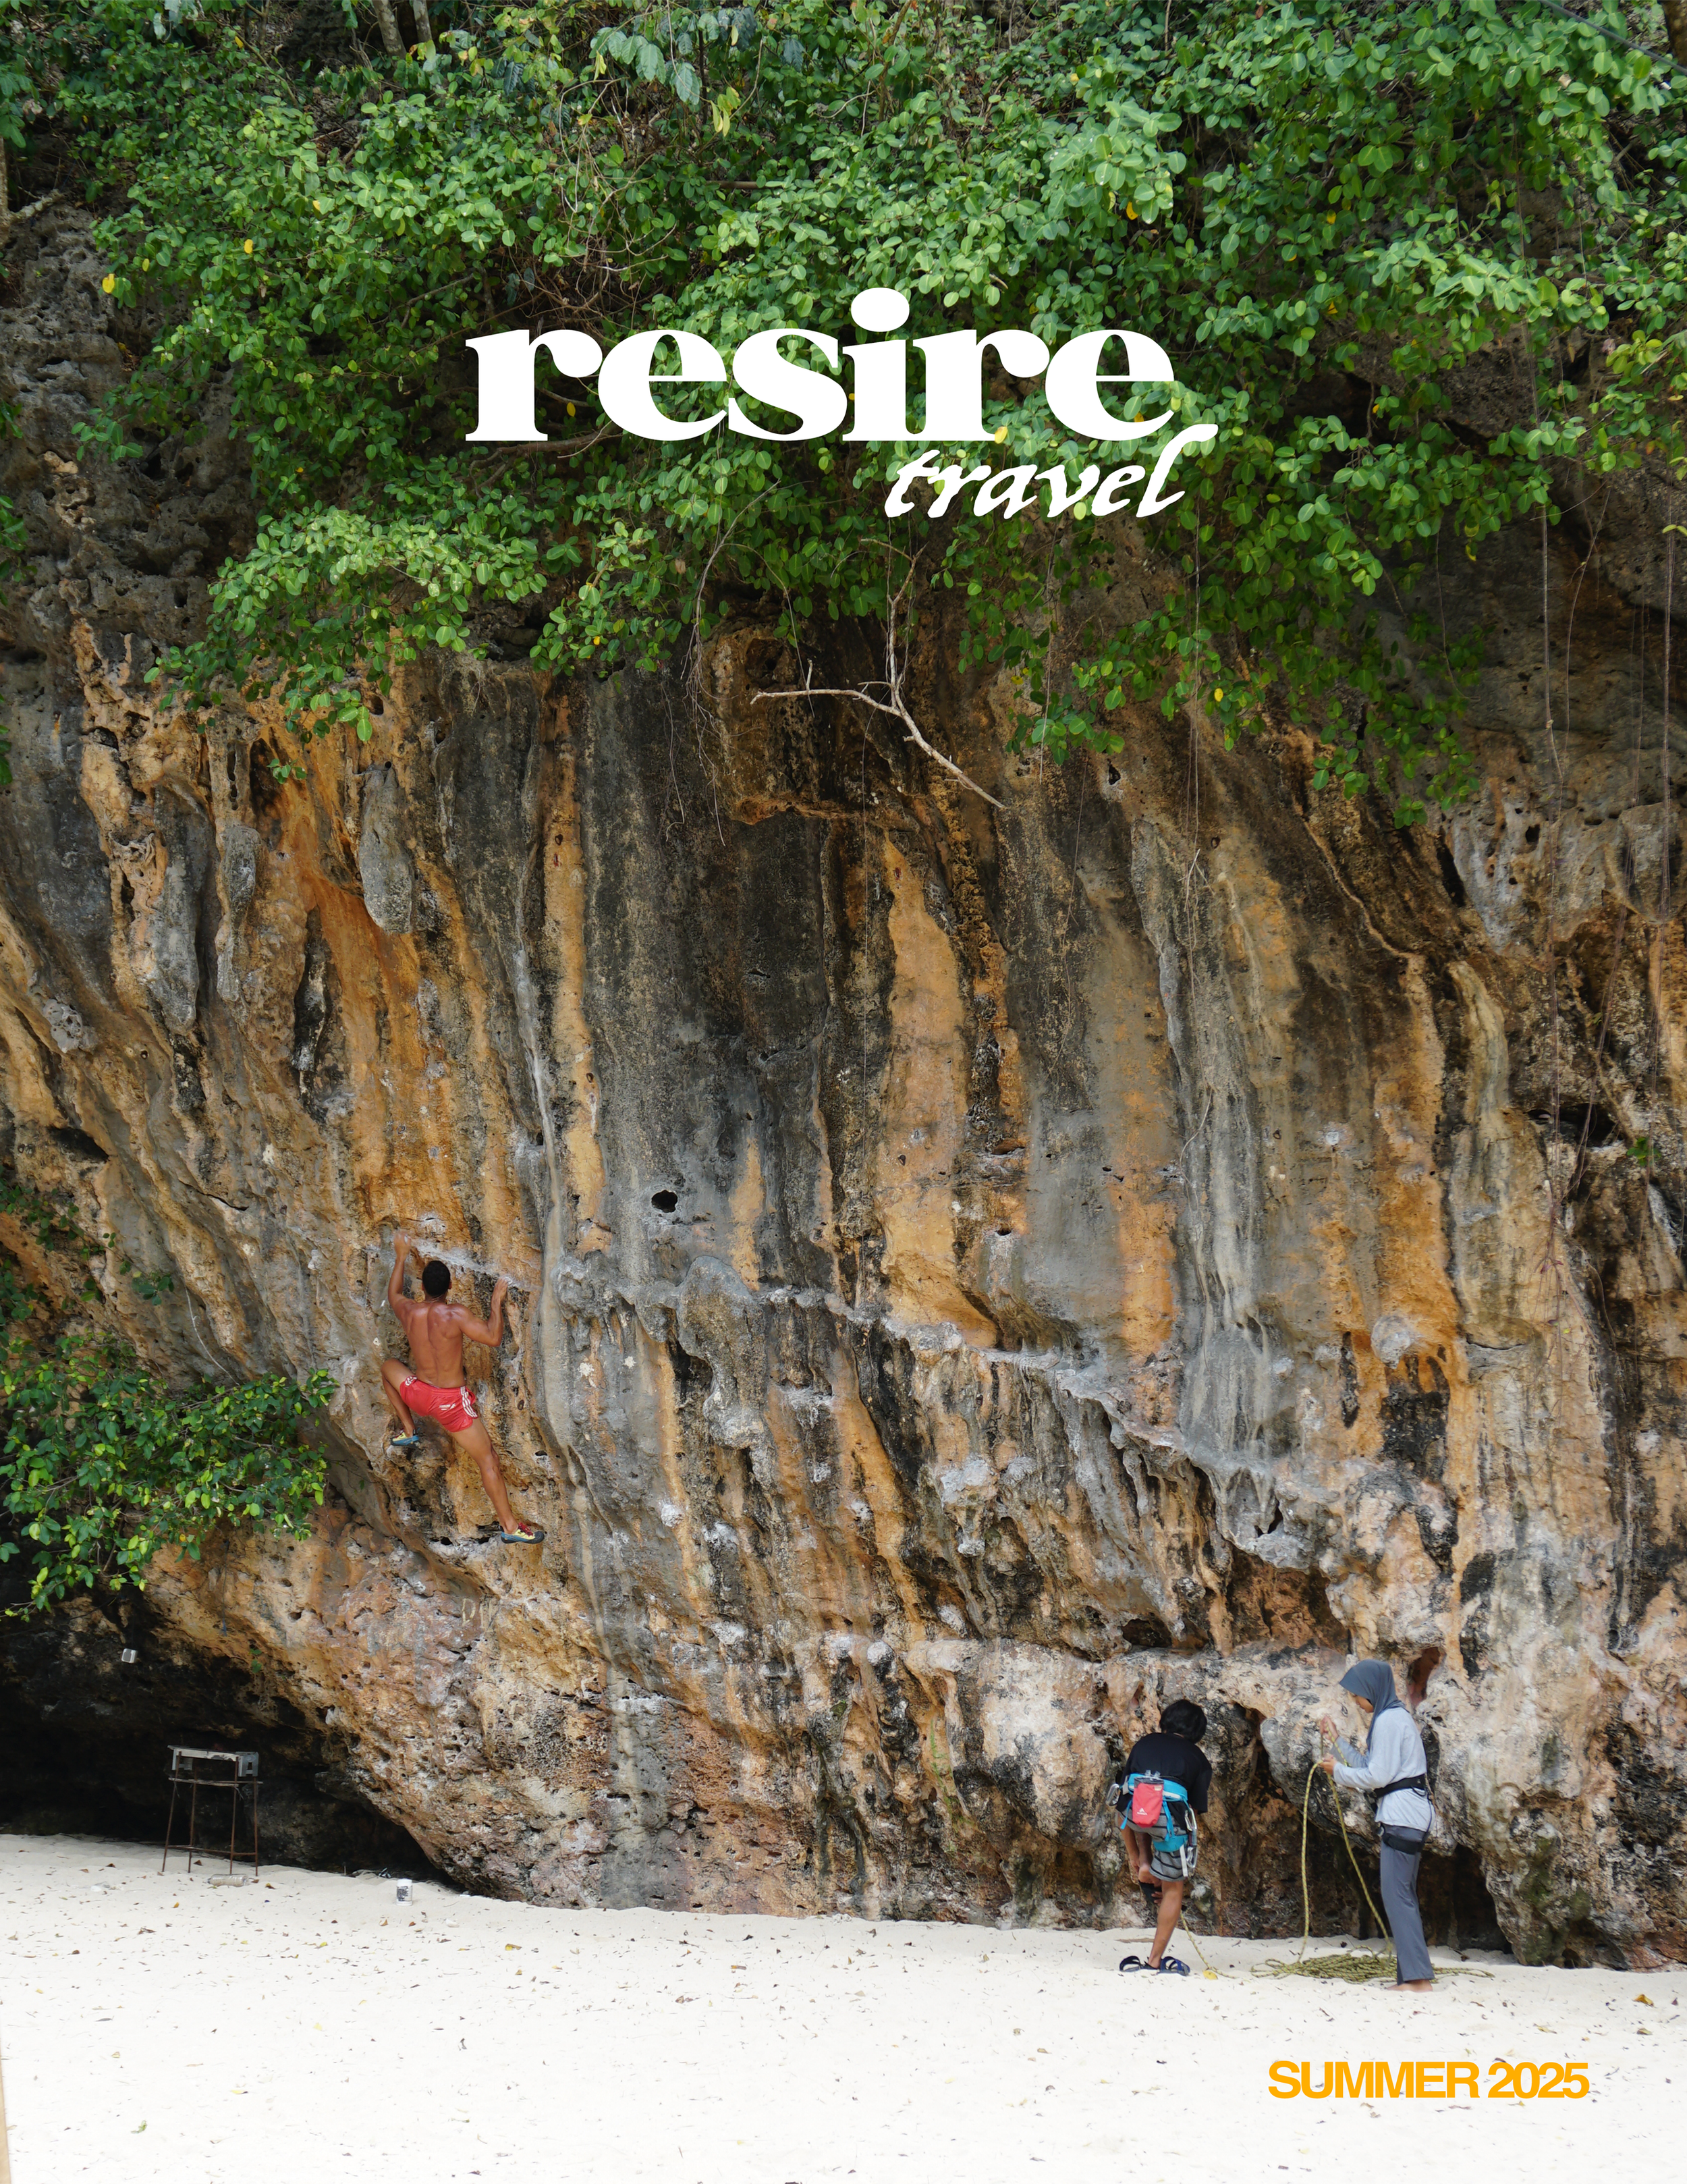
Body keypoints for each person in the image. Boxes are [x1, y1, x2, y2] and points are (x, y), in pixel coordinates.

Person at [379, 1235, 544, 1546]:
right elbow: (493, 1337)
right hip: (451, 1405)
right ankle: (509, 1526)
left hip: (419, 1395)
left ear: (423, 1289)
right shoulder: (454, 1315)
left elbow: (394, 1293)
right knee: (489, 1460)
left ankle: (408, 1428)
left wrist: (401, 1256)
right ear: (450, 1287)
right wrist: (496, 1301)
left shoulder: (409, 1311)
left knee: (388, 1367)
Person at [1319, 1659, 1435, 1992]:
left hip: (1402, 1816)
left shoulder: (1387, 1721)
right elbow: (1372, 1766)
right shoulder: (1395, 1717)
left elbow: (1376, 1777)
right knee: (1402, 1894)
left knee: (1397, 1895)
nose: (1357, 1701)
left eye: (1358, 1695)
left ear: (1373, 1690)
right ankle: (1413, 1975)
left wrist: (1337, 1773)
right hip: (1410, 1814)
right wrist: (1337, 1743)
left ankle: (1416, 1980)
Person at [1116, 1697, 1213, 1976]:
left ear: (1166, 1722)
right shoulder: (1198, 1758)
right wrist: (1170, 1872)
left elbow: (1123, 1789)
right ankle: (1155, 1961)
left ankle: (1141, 1861)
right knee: (1174, 1887)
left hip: (1133, 1814)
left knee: (1138, 1804)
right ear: (1197, 1733)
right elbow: (1193, 1813)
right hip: (1167, 1818)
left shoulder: (1143, 1744)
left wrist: (1134, 1854)